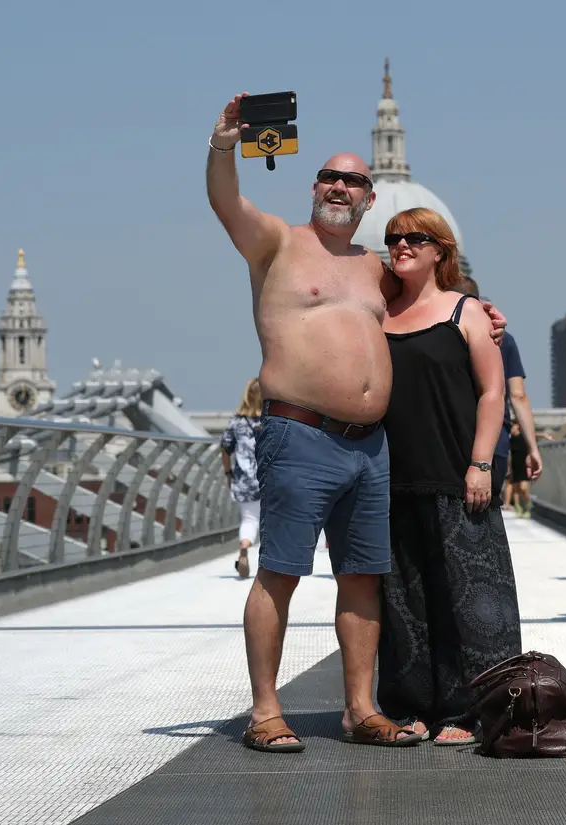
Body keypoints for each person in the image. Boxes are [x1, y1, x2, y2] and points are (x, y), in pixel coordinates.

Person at [205, 93, 507, 752]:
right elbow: (226, 202)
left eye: (354, 181)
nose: (342, 187)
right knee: (279, 573)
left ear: (370, 200)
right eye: (331, 177)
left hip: (371, 448)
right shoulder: (278, 243)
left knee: (363, 578)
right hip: (301, 434)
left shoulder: (375, 268)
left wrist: (484, 313)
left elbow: (435, 306)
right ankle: (264, 712)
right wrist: (225, 144)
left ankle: (360, 708)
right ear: (314, 188)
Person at [377, 207, 523, 745]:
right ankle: (410, 707)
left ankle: (468, 712)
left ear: (441, 249)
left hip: (456, 474)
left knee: (469, 599)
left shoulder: (467, 313)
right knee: (402, 601)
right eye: (393, 237)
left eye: (415, 237)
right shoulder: (378, 313)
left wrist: (481, 463)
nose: (402, 245)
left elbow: (492, 392)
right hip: (389, 477)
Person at [455, 276, 542, 511]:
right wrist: (532, 448)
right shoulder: (503, 338)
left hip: (451, 439)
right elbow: (518, 396)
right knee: (486, 518)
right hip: (495, 444)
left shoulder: (443, 332)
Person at [220, 378, 263, 579]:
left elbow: (225, 447)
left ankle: (245, 547)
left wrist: (228, 473)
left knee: (249, 520)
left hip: (244, 480)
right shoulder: (271, 420)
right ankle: (270, 565)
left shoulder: (237, 421)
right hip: (271, 479)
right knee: (273, 521)